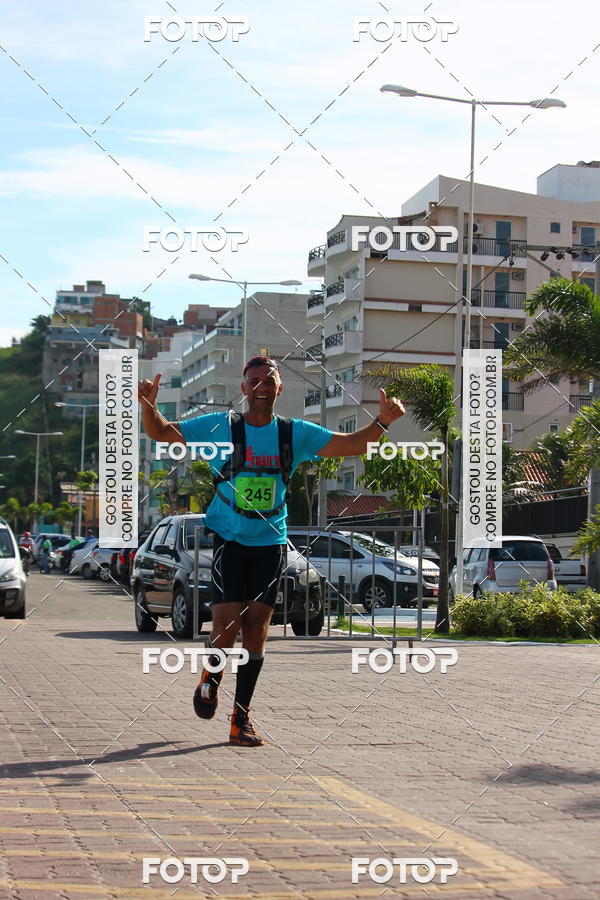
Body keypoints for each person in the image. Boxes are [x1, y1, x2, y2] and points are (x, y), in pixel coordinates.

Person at [138, 357, 404, 747]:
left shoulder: (294, 434)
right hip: (229, 539)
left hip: (271, 543)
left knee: (256, 632)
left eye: (269, 380)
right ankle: (210, 680)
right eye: (254, 380)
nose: (262, 385)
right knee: (226, 628)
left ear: (280, 389)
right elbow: (162, 434)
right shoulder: (218, 427)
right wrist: (148, 405)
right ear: (244, 389)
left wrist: (382, 422)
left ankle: (240, 721)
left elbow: (352, 444)